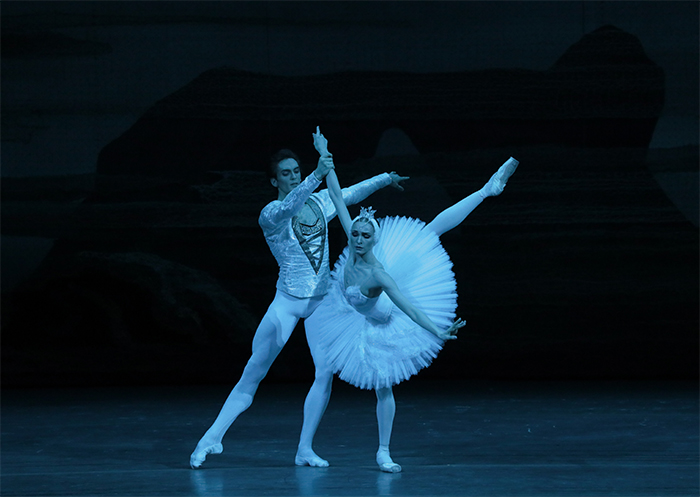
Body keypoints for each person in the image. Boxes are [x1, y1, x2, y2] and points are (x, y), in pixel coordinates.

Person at [189, 141, 409, 469]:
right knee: (254, 371)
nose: (293, 177)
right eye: (285, 174)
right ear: (274, 181)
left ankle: (304, 449)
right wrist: (316, 175)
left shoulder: (320, 203)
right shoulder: (270, 214)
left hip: (321, 303)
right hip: (288, 302)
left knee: (324, 373)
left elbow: (348, 194)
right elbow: (290, 206)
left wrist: (384, 178)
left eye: (296, 171)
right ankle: (211, 438)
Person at [310, 127, 518, 473]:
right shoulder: (352, 242)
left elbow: (408, 307)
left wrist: (437, 330)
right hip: (354, 314)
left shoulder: (379, 273)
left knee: (429, 232)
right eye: (356, 234)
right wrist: (324, 153)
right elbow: (334, 194)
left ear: (374, 241)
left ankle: (486, 190)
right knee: (427, 231)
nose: (358, 239)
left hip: (385, 318)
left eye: (365, 236)